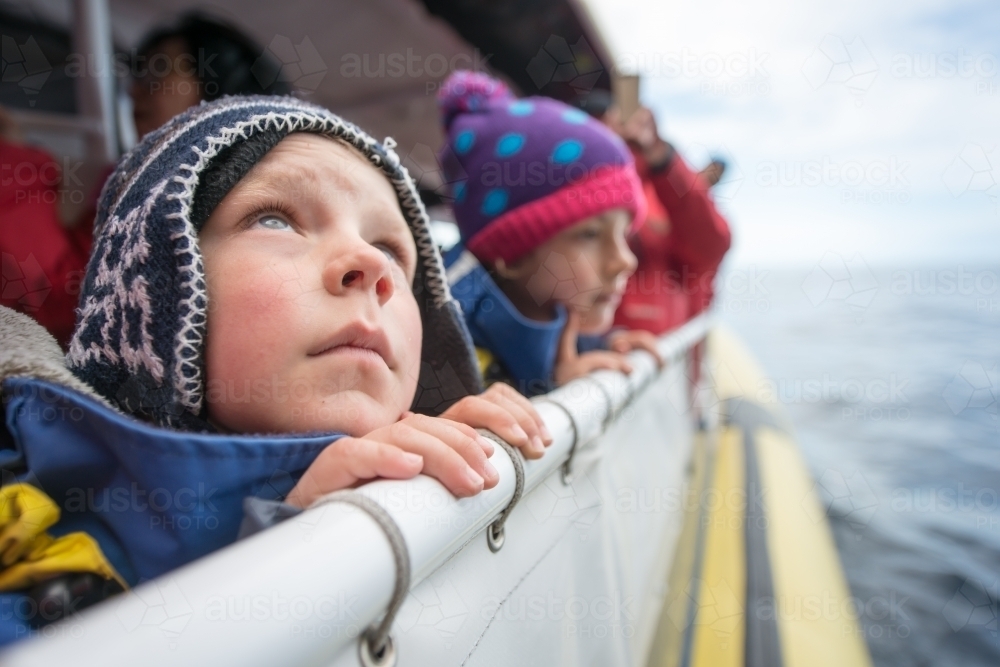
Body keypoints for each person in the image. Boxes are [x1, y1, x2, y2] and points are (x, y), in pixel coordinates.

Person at [0, 96, 550, 641]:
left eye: (391, 248)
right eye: (275, 219)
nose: (372, 266)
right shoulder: (32, 538)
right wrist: (285, 558)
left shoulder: (450, 467)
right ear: (151, 290)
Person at [0, 13, 290, 348]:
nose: (137, 90)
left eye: (159, 71)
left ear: (219, 86)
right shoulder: (134, 180)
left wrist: (20, 161)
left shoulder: (208, 191)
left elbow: (51, 297)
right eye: (139, 74)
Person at [437, 72, 662, 398]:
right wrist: (553, 392)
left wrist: (605, 344)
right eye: (590, 234)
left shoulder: (543, 314)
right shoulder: (436, 349)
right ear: (509, 253)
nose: (625, 260)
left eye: (624, 234)